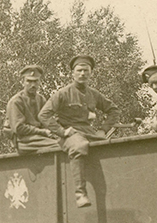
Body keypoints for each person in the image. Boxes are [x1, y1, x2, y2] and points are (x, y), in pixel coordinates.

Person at [39, 55, 119, 208]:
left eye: (86, 71)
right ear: (72, 73)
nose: (82, 74)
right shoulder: (62, 94)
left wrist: (103, 130)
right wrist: (61, 132)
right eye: (79, 70)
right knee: (79, 146)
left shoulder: (94, 94)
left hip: (89, 133)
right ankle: (80, 193)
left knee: (110, 147)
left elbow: (113, 110)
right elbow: (44, 115)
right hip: (70, 135)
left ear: (91, 73)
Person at [6, 65, 60, 154]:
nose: (33, 85)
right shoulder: (16, 101)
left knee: (68, 142)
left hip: (40, 138)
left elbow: (46, 120)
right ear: (22, 82)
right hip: (24, 141)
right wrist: (42, 132)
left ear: (39, 82)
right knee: (58, 146)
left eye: (36, 81)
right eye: (29, 81)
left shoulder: (41, 99)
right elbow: (19, 128)